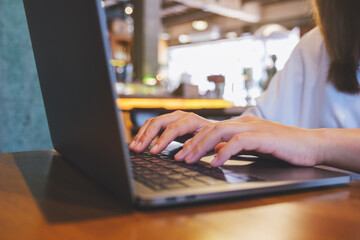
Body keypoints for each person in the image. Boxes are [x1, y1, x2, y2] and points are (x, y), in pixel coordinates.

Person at [129, 0, 360, 173]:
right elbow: (261, 124)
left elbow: (297, 138)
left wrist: (316, 144)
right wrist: (211, 131)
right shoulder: (316, 43)